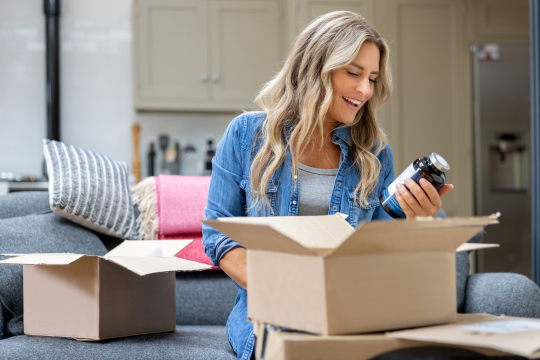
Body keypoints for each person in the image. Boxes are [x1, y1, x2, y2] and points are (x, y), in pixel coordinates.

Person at [202, 11, 452, 360]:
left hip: (354, 313)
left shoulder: (375, 154)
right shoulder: (247, 135)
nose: (365, 90)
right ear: (314, 67)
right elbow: (219, 236)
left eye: (373, 78)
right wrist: (289, 296)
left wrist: (419, 224)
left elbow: (379, 250)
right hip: (270, 315)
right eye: (353, 73)